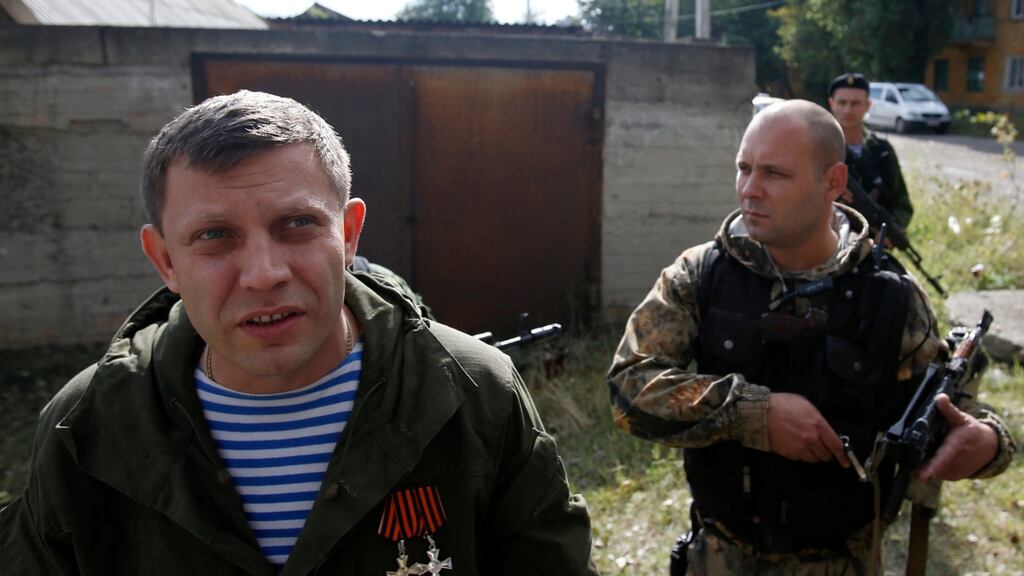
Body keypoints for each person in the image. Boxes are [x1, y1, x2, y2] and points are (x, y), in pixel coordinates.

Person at [0, 90, 596, 575]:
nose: (263, 274)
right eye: (214, 236)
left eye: (297, 224)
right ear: (164, 261)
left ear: (350, 233)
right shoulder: (87, 426)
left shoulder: (473, 393)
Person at [608, 100, 1015, 575]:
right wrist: (754, 414)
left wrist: (988, 443)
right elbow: (629, 387)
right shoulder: (700, 275)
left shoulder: (889, 296)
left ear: (834, 184)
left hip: (843, 559)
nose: (750, 189)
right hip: (721, 556)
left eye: (774, 173)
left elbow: (950, 408)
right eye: (744, 168)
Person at [828, 72, 914, 231]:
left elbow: (902, 204)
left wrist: (891, 230)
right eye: (842, 102)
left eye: (855, 103)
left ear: (868, 105)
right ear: (831, 103)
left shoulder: (882, 150)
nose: (848, 110)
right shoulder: (819, 149)